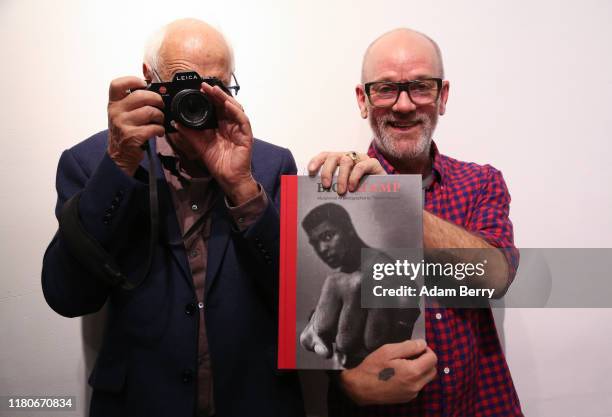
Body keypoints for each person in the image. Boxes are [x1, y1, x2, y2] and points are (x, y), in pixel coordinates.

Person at [41, 19, 304, 417]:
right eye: (183, 83)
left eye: (212, 86)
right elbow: (66, 296)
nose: (195, 99)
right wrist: (119, 164)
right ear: (150, 78)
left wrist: (242, 188)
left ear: (231, 85)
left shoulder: (268, 164)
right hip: (140, 401)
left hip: (253, 399)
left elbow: (300, 300)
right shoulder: (93, 162)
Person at [308, 28, 523, 416]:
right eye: (386, 89)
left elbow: (495, 278)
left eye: (421, 87)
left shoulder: (481, 182)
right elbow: (312, 331)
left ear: (442, 97)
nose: (404, 105)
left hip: (481, 405)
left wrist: (394, 200)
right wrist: (344, 379)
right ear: (363, 99)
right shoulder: (333, 192)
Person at [299, 203, 419, 369]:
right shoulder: (348, 270)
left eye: (327, 236)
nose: (321, 249)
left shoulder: (383, 270)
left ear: (348, 228)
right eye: (315, 243)